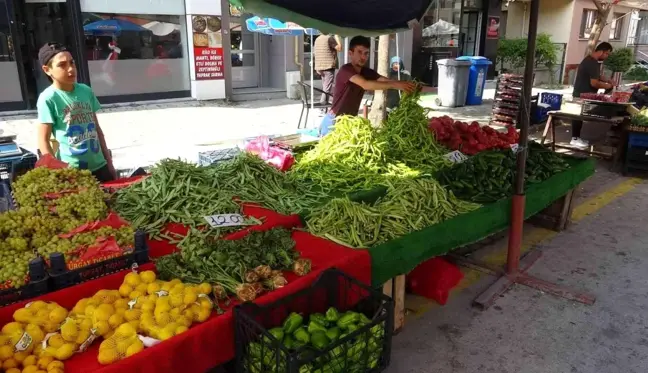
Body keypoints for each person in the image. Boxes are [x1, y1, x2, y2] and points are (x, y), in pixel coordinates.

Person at [36, 42, 116, 182]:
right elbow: (43, 140)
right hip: (72, 172)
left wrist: (109, 162)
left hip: (100, 167)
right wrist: (57, 172)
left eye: (72, 63)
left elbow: (97, 129)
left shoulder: (85, 90)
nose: (70, 69)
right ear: (47, 70)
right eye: (62, 65)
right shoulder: (48, 98)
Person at [319, 36, 416, 136]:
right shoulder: (346, 70)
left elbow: (384, 80)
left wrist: (405, 85)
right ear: (350, 53)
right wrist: (396, 84)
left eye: (366, 53)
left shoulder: (366, 72)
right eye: (360, 52)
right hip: (334, 121)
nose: (363, 57)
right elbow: (365, 84)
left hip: (350, 122)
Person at [571, 42, 615, 148]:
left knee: (579, 117)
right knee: (577, 117)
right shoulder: (592, 63)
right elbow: (594, 83)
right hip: (582, 94)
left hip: (583, 93)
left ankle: (576, 138)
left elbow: (597, 76)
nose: (607, 56)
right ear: (601, 51)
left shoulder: (590, 60)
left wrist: (607, 80)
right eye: (607, 54)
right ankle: (575, 139)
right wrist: (608, 86)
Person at [314, 34, 342, 106]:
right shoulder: (329, 38)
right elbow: (339, 48)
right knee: (327, 87)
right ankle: (323, 105)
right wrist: (337, 37)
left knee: (325, 86)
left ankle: (324, 106)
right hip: (328, 66)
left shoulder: (317, 39)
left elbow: (316, 53)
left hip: (320, 66)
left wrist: (317, 67)